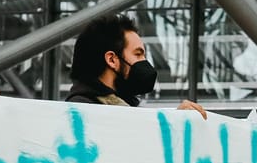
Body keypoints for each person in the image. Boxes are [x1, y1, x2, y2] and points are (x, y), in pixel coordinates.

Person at [65, 14, 208, 119]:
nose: (144, 62)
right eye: (138, 54)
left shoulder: (125, 109)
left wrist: (178, 122)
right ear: (112, 60)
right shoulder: (81, 112)